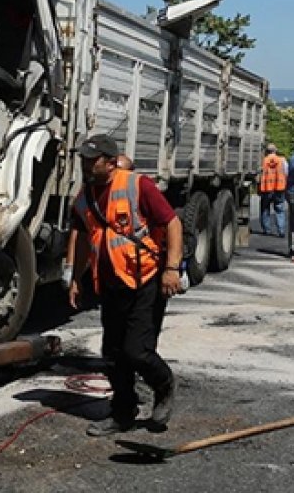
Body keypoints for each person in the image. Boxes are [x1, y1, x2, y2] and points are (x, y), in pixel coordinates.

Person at [65, 134, 183, 436]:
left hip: (145, 279)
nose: (87, 166)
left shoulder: (136, 185)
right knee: (114, 353)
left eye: (93, 161)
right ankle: (122, 412)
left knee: (137, 351)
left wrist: (171, 268)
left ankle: (164, 386)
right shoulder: (85, 195)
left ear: (112, 162)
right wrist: (76, 278)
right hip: (110, 284)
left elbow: (172, 223)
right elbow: (81, 240)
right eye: (83, 161)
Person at [258, 143, 287, 237]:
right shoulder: (282, 160)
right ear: (275, 151)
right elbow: (287, 173)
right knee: (279, 210)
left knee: (265, 209)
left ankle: (267, 230)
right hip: (279, 188)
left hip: (266, 189)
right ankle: (281, 231)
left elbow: (259, 174)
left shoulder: (263, 161)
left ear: (266, 151)